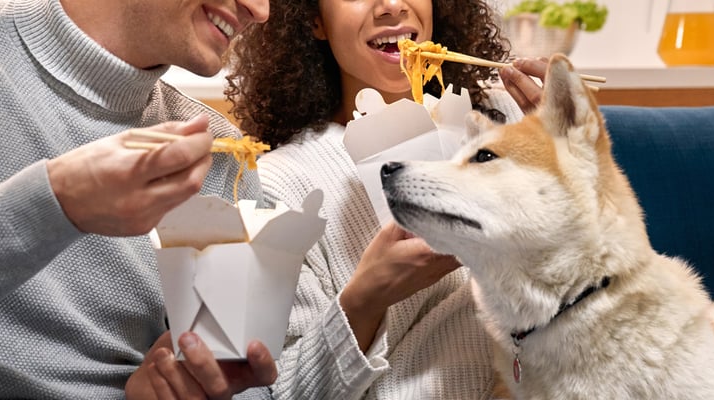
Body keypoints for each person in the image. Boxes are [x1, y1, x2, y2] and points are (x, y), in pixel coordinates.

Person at [225, 0, 546, 398]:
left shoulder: (510, 117)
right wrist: (365, 299)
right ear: (314, 20)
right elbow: (280, 389)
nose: (393, 6)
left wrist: (577, 154)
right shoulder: (280, 183)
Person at [0, 0, 277, 398]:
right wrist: (57, 203)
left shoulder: (224, 157)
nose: (261, 10)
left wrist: (184, 387)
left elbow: (244, 373)